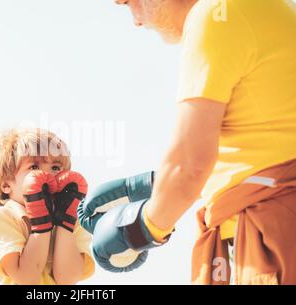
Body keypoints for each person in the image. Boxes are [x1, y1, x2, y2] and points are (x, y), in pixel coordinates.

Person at [78, 0, 296, 284]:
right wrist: (155, 184)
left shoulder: (213, 15)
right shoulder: (264, 8)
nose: (135, 20)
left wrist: (138, 228)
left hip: (271, 237)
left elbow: (190, 164)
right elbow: (262, 138)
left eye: (128, 2)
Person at [0, 128, 95, 284]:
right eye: (34, 167)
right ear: (6, 185)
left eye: (55, 168)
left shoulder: (74, 220)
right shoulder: (1, 218)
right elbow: (27, 277)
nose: (47, 176)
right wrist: (40, 219)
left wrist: (65, 222)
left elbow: (67, 278)